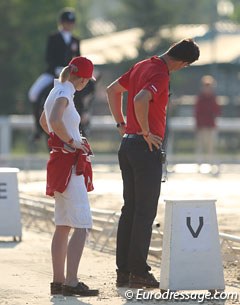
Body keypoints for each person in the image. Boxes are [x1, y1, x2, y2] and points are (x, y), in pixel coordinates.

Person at [106, 38, 200, 288]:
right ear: (182, 62)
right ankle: (138, 271)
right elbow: (139, 99)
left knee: (130, 210)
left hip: (127, 145)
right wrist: (146, 131)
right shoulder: (160, 74)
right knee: (144, 212)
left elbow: (112, 90)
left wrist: (121, 124)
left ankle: (123, 272)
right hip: (144, 147)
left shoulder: (142, 65)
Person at [39, 56, 99, 297]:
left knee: (63, 225)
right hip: (69, 164)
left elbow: (45, 122)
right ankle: (72, 282)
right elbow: (53, 120)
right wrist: (72, 141)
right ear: (82, 79)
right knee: (82, 225)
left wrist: (61, 138)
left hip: (59, 160)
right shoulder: (65, 92)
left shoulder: (56, 89)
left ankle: (58, 281)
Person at [29, 7, 81, 141]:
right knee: (34, 93)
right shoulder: (53, 37)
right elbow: (48, 57)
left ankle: (84, 122)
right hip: (53, 73)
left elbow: (79, 59)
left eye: (71, 22)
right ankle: (37, 128)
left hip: (71, 76)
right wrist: (57, 69)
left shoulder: (76, 40)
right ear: (61, 22)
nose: (69, 25)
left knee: (85, 93)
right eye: (66, 22)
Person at [194, 75, 221, 166]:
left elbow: (217, 111)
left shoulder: (213, 97)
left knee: (211, 146)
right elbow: (197, 112)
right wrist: (198, 124)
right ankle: (199, 163)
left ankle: (211, 163)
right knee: (201, 145)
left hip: (211, 125)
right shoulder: (200, 98)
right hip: (202, 126)